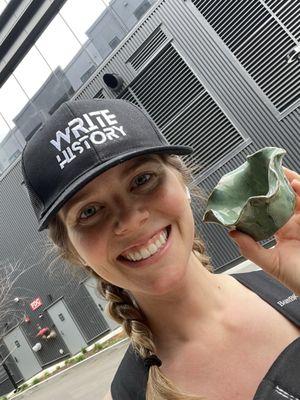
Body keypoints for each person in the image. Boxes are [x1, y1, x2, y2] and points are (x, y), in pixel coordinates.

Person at [21, 99, 300, 400]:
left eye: (142, 180)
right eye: (89, 212)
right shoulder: (127, 396)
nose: (129, 220)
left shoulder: (288, 287)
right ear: (73, 251)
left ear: (182, 180)